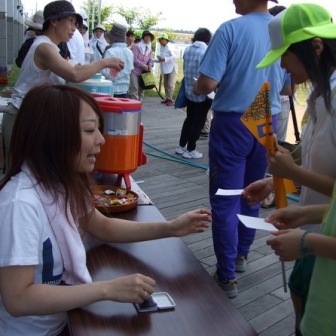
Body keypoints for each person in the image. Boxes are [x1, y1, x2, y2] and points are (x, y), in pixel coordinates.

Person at [0, 83, 212, 336]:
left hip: (67, 321)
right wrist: (107, 290)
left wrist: (171, 227)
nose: (102, 139)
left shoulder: (58, 184)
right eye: (90, 130)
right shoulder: (20, 205)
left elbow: (102, 225)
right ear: (53, 135)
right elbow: (18, 299)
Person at [244, 3, 336, 335]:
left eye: (285, 54)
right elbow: (320, 161)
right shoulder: (321, 95)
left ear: (315, 47)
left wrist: (293, 175)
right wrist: (277, 178)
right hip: (317, 224)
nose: (282, 64)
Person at [195, 0, 291, 298]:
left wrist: (203, 87)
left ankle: (226, 276)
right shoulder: (281, 33)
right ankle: (241, 256)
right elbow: (288, 88)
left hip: (233, 122)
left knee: (226, 199)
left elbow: (207, 82)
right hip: (267, 121)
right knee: (253, 193)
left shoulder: (230, 29)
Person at [2, 0, 124, 173]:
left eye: (76, 24)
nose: (74, 28)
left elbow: (75, 69)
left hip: (31, 116)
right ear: (54, 21)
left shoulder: (50, 47)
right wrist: (105, 62)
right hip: (20, 118)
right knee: (18, 174)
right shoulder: (44, 47)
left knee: (34, 173)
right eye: (71, 22)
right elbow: (74, 75)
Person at [175, 28, 212, 159]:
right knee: (199, 121)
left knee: (189, 119)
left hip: (189, 90)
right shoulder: (206, 52)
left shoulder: (188, 49)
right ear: (208, 39)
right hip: (201, 92)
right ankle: (191, 149)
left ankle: (181, 146)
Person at [268, 5, 292, 143]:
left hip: (255, 107)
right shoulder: (286, 45)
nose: (284, 65)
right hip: (279, 105)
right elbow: (290, 89)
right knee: (276, 146)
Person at [102, 23, 134, 98]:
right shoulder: (129, 52)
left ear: (112, 38)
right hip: (125, 89)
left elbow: (106, 73)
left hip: (112, 88)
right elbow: (130, 71)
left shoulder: (110, 51)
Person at [129, 30, 154, 101]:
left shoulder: (149, 49)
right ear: (143, 37)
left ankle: (138, 104)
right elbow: (134, 60)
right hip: (134, 71)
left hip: (144, 73)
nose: (148, 38)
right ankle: (134, 106)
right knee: (134, 88)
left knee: (141, 90)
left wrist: (149, 65)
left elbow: (150, 60)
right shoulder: (137, 46)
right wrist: (144, 66)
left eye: (149, 37)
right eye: (146, 36)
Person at [157, 33, 178, 106]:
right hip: (165, 68)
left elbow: (174, 57)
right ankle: (167, 98)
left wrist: (165, 59)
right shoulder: (163, 47)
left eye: (161, 40)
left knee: (170, 84)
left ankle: (170, 99)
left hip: (172, 67)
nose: (160, 41)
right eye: (159, 40)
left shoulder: (170, 46)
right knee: (165, 84)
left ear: (165, 40)